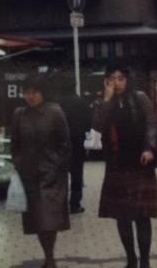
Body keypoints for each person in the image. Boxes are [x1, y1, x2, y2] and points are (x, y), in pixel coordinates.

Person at [92, 64, 157, 268]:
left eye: (120, 78)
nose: (117, 83)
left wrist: (149, 147)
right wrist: (107, 99)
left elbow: (152, 123)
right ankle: (131, 258)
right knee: (122, 215)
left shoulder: (139, 98)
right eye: (112, 79)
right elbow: (97, 125)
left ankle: (145, 260)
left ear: (128, 79)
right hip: (116, 164)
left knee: (142, 215)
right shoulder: (105, 102)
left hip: (140, 163)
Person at [11, 76, 71, 268]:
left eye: (34, 92)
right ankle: (48, 255)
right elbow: (15, 144)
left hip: (52, 175)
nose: (30, 96)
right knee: (36, 218)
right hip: (29, 175)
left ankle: (50, 258)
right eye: (27, 92)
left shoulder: (55, 113)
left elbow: (65, 144)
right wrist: (19, 164)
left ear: (43, 93)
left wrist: (57, 166)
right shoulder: (19, 114)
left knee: (48, 218)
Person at [57, 75, 92, 214]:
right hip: (77, 142)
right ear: (75, 85)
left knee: (60, 174)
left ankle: (60, 204)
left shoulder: (56, 102)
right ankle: (75, 204)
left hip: (59, 144)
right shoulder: (81, 102)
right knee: (77, 173)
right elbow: (88, 123)